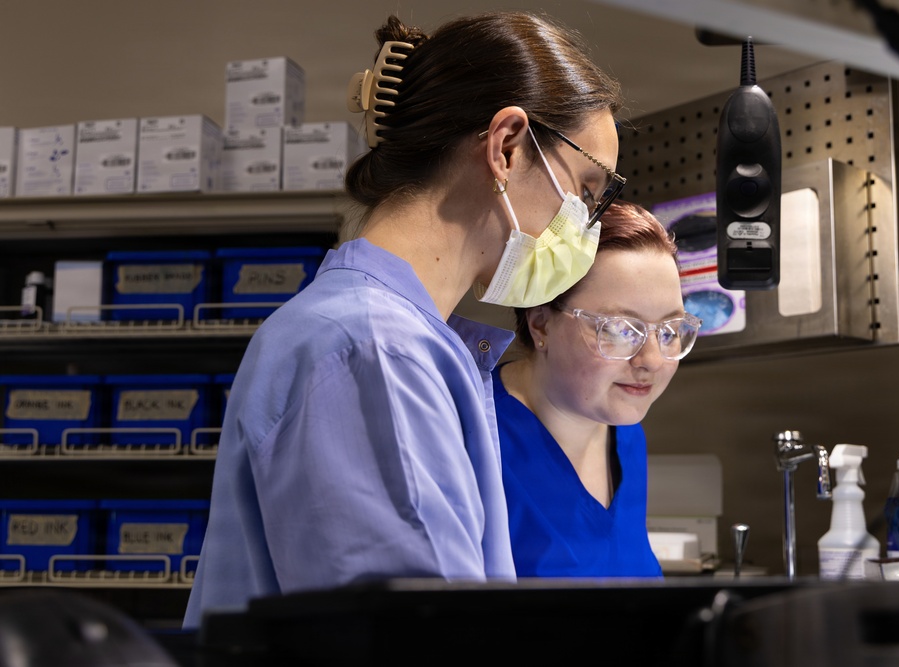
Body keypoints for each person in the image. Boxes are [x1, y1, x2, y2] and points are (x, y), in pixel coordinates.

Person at [184, 11, 624, 626]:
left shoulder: (391, 339)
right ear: (505, 146)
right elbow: (421, 643)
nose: (584, 224)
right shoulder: (374, 351)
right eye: (584, 188)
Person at [494, 200, 700, 577]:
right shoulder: (477, 440)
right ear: (540, 324)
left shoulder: (626, 436)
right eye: (621, 330)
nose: (652, 361)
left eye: (670, 331)